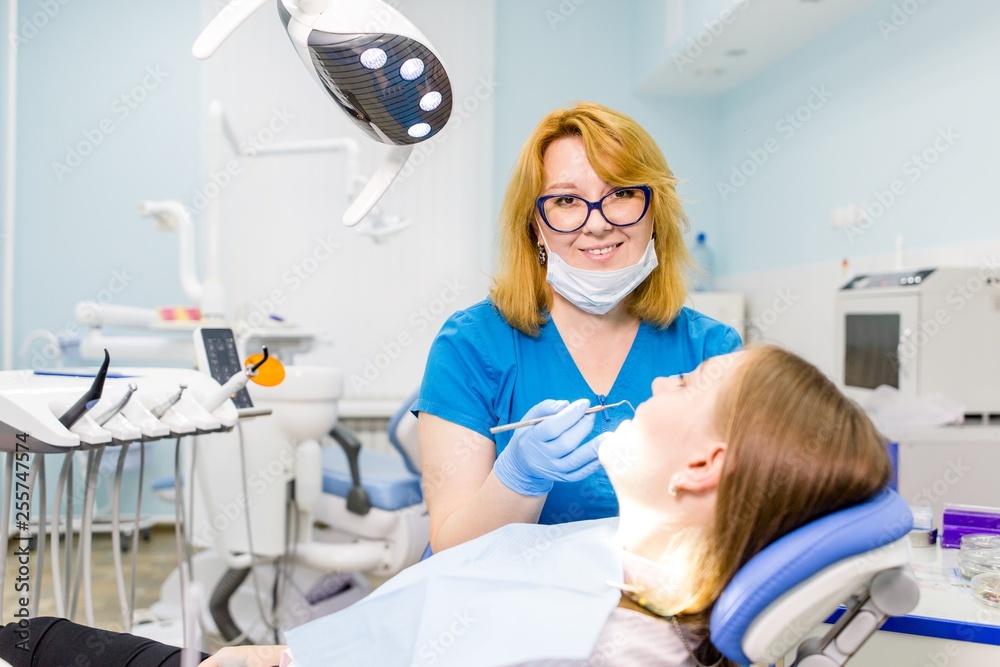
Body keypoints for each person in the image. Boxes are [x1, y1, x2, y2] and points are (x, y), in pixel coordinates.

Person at [0, 345, 894, 667]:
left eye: (688, 380)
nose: (660, 379)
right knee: (32, 635)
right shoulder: (631, 559)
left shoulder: (600, 640)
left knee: (30, 640)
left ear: (704, 462)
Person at [416, 102, 742, 553]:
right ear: (535, 226)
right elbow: (450, 549)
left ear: (655, 211)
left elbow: (732, 526)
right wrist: (519, 480)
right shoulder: (472, 346)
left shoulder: (711, 349)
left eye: (622, 193)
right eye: (567, 200)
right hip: (498, 609)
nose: (598, 222)